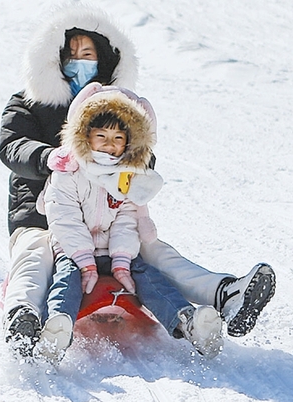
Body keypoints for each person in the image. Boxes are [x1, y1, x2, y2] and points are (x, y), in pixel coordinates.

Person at [0, 4, 276, 358]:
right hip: (41, 215)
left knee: (152, 250)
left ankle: (226, 294)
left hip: (110, 218)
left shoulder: (119, 112)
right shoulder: (28, 103)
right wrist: (47, 157)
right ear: (54, 61)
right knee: (35, 254)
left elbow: (143, 162)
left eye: (88, 55)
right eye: (71, 55)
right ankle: (22, 319)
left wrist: (132, 164)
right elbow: (12, 146)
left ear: (104, 62)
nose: (79, 62)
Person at [34, 84, 224, 363]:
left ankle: (187, 321)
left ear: (128, 141)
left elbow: (126, 218)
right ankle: (57, 328)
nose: (109, 144)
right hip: (73, 250)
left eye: (117, 137)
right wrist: (85, 260)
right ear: (86, 136)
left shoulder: (127, 175)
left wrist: (122, 259)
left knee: (147, 275)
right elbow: (64, 218)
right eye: (101, 136)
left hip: (113, 251)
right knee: (67, 278)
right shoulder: (69, 171)